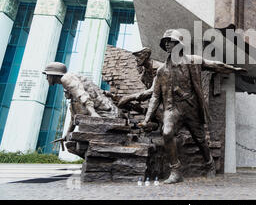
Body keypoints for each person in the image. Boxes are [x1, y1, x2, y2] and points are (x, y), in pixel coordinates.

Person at [136, 29, 245, 184]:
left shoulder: (193, 61)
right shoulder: (162, 71)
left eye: (171, 41)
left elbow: (214, 65)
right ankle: (176, 171)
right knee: (167, 132)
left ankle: (209, 164)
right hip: (172, 108)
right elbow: (155, 95)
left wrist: (233, 69)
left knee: (200, 139)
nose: (167, 44)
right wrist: (147, 119)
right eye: (165, 42)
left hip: (191, 106)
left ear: (179, 44)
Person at [43, 62, 119, 140]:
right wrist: (67, 134)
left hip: (107, 114)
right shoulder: (73, 96)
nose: (46, 78)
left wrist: (93, 113)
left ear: (54, 74)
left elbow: (82, 95)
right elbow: (74, 117)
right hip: (105, 112)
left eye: (47, 75)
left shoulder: (66, 78)